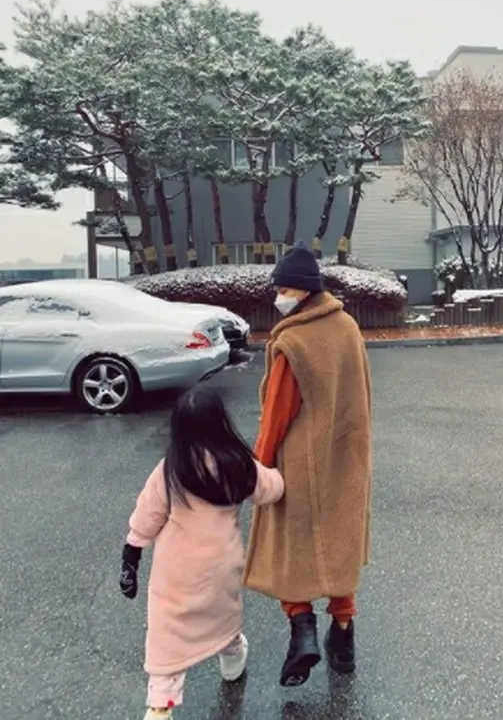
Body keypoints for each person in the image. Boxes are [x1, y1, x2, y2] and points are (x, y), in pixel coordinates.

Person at [244, 239, 373, 688]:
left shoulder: (293, 341)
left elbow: (277, 414)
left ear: (302, 291)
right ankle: (344, 635)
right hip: (347, 455)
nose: (278, 296)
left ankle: (302, 632)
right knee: (339, 541)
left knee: (291, 546)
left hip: (299, 462)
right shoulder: (348, 328)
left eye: (283, 289)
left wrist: (259, 465)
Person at [119, 381, 284, 720]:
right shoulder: (239, 465)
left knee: (168, 635)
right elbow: (273, 489)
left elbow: (147, 516)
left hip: (176, 572)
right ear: (220, 423)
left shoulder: (170, 470)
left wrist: (131, 557)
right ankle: (232, 660)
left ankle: (160, 705)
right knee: (222, 616)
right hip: (222, 566)